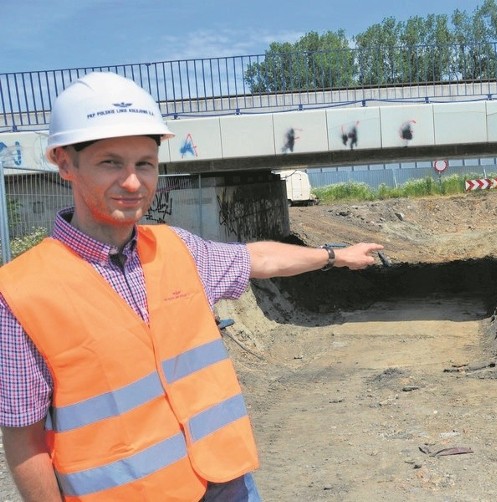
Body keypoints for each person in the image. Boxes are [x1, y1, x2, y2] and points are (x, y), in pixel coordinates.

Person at [0, 72, 383, 501]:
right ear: (65, 162)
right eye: (111, 162)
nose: (132, 182)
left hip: (226, 481)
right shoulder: (21, 292)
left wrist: (334, 255)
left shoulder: (177, 248)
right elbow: (22, 436)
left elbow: (257, 258)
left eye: (144, 163)